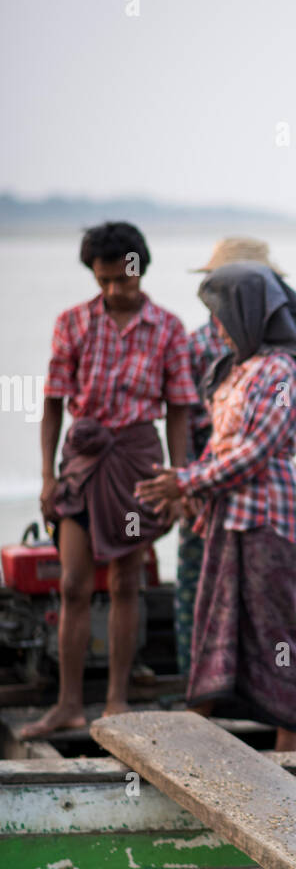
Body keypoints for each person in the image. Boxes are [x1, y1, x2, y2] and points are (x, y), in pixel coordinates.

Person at [21, 222, 197, 740]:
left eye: (124, 279)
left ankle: (117, 700)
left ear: (140, 268)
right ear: (94, 277)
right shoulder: (72, 323)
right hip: (83, 460)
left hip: (139, 463)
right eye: (105, 281)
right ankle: (69, 703)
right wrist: (48, 477)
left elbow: (180, 411)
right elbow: (52, 403)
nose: (116, 290)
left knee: (126, 582)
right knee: (73, 584)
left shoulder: (168, 327)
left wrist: (178, 477)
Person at [136, 263, 296, 752]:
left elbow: (256, 451)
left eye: (221, 315)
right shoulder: (239, 367)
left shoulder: (282, 371)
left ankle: (286, 735)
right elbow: (220, 447)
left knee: (273, 626)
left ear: (247, 314)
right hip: (228, 516)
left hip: (268, 518)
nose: (215, 326)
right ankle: (207, 712)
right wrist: (190, 493)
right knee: (219, 616)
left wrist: (186, 480)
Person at [173, 237, 296, 682]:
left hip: (240, 493)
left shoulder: (275, 358)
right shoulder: (207, 344)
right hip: (208, 489)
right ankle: (202, 693)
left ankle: (273, 705)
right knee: (206, 604)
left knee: (262, 612)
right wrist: (187, 486)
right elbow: (182, 416)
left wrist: (188, 481)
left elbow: (265, 439)